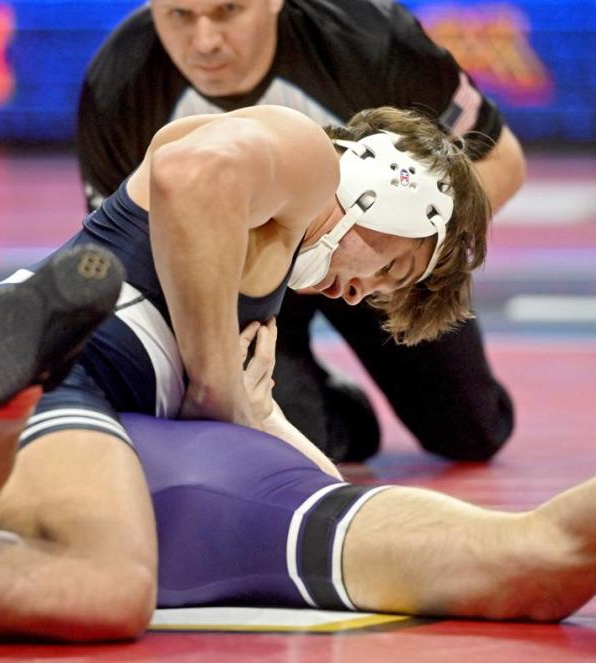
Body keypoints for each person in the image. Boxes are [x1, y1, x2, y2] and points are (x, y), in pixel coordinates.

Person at [0, 105, 490, 636]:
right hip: (51, 372)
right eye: (393, 265)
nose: (363, 293)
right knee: (110, 584)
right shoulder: (308, 156)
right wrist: (215, 385)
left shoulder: (256, 275)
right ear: (393, 186)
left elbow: (266, 432)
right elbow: (188, 172)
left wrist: (360, 516)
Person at [0, 277, 596, 640]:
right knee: (105, 587)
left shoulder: (276, 460)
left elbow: (545, 556)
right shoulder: (277, 494)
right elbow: (544, 554)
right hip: (80, 413)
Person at [76, 0, 527, 461]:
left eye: (228, 11)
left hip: (369, 246)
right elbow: (133, 246)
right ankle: (341, 412)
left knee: (470, 429)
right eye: (180, 16)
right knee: (275, 435)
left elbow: (500, 160)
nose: (206, 41)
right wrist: (218, 378)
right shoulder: (120, 80)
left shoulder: (370, 38)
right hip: (234, 273)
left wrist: (402, 257)